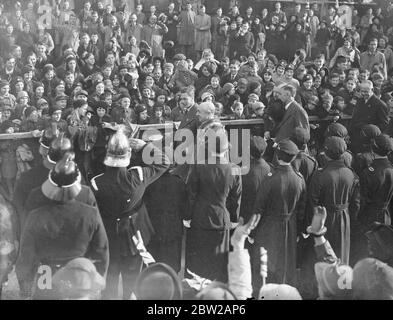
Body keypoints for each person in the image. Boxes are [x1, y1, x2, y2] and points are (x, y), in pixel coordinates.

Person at [15, 153, 109, 300]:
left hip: (46, 277)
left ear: (51, 183)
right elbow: (102, 251)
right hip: (80, 276)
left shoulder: (35, 216)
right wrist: (97, 280)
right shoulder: (90, 214)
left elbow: (26, 258)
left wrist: (25, 291)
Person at [90, 129, 170, 299]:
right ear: (128, 155)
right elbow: (164, 162)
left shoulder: (96, 182)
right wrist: (145, 147)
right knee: (132, 283)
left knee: (109, 284)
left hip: (109, 238)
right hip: (135, 237)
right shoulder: (138, 176)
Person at [185, 127, 242, 283]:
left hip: (200, 218)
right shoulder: (235, 169)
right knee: (219, 263)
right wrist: (234, 219)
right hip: (222, 220)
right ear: (226, 149)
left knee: (199, 262)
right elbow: (235, 198)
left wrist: (187, 216)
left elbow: (191, 194)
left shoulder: (198, 166)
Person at [251, 139, 306, 295]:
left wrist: (252, 233)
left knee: (267, 265)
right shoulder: (299, 179)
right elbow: (302, 210)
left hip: (269, 227)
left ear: (277, 155)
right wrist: (298, 231)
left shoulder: (270, 179)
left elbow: (258, 208)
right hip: (291, 227)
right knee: (286, 265)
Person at [308, 136, 360, 265]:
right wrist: (350, 219)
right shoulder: (351, 174)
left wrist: (314, 223)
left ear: (325, 153)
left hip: (324, 219)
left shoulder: (320, 174)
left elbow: (313, 202)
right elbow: (356, 203)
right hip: (345, 217)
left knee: (323, 252)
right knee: (342, 253)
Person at [350, 80, 389, 154]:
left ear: (372, 90)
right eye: (362, 91)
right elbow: (354, 118)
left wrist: (370, 130)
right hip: (356, 138)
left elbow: (384, 124)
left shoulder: (380, 104)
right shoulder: (360, 101)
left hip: (369, 141)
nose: (363, 94)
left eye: (366, 91)